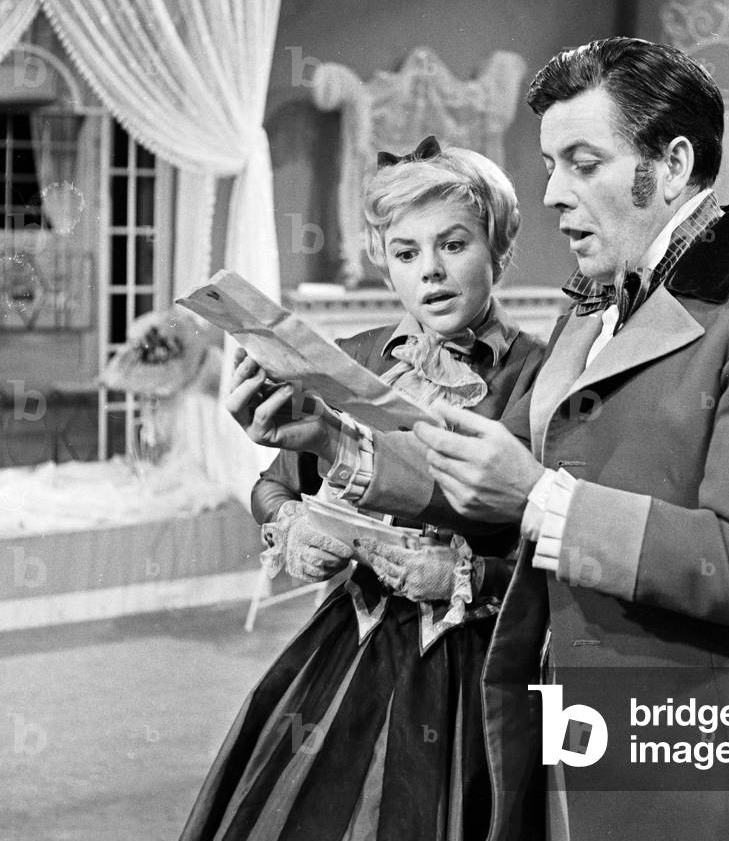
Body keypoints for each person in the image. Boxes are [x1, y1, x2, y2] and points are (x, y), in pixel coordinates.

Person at [309, 38, 729, 841]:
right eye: (548, 165)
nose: (551, 194)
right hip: (559, 699)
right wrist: (331, 443)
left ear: (671, 164)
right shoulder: (593, 306)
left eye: (582, 162)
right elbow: (490, 478)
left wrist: (542, 499)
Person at [179, 137, 545, 841]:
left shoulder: (541, 375)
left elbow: (551, 541)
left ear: (499, 246)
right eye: (406, 254)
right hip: (355, 642)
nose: (430, 274)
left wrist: (470, 573)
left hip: (477, 665)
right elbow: (273, 486)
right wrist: (289, 527)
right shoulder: (353, 357)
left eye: (454, 245)